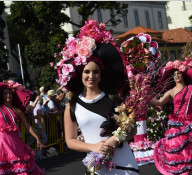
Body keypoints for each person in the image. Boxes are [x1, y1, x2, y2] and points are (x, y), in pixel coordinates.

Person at [59, 19, 139, 175]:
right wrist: (93, 147)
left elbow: (133, 129)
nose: (91, 76)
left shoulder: (114, 99)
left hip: (124, 165)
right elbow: (70, 141)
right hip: (97, 167)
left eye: (95, 72)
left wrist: (116, 140)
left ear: (101, 76)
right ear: (79, 74)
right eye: (86, 72)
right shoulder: (72, 105)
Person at [0, 67, 45, 175]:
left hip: (15, 142)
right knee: (1, 170)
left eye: (10, 93)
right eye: (5, 93)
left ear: (13, 96)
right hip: (1, 142)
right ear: (2, 96)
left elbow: (27, 126)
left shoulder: (17, 110)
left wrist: (37, 137)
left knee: (18, 168)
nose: (8, 95)